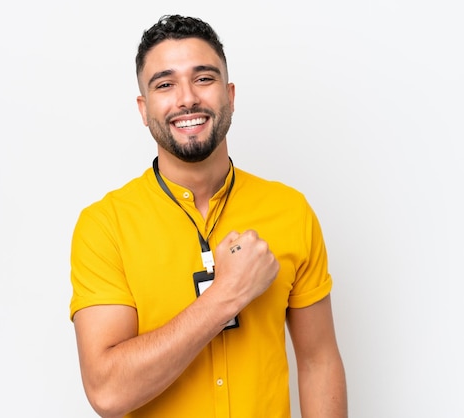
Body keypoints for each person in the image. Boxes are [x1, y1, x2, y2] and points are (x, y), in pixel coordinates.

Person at [70, 14, 347, 418]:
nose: (187, 99)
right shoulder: (104, 226)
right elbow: (108, 393)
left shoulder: (291, 211)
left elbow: (319, 361)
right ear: (143, 109)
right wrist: (226, 295)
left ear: (230, 95)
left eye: (204, 78)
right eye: (165, 84)